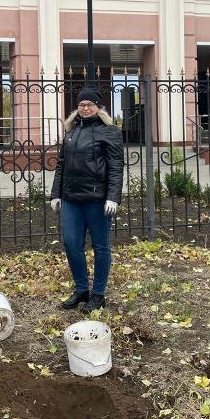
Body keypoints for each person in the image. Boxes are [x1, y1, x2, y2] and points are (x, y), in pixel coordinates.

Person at [50, 88, 124, 314]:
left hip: (97, 199)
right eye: (81, 104)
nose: (85, 108)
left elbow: (115, 167)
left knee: (101, 246)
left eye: (90, 104)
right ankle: (82, 289)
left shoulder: (109, 131)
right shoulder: (71, 131)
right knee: (72, 244)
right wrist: (56, 193)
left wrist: (113, 197)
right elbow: (61, 164)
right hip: (72, 198)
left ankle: (98, 294)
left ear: (98, 107)